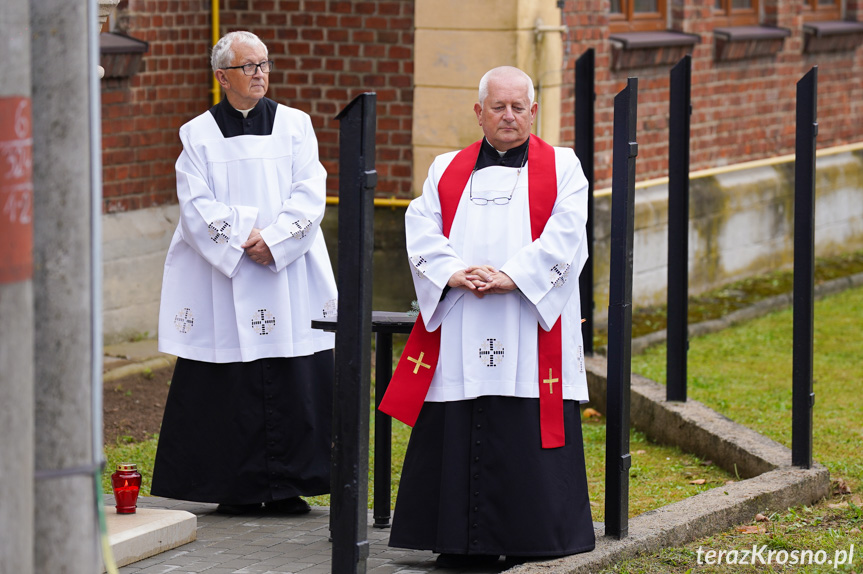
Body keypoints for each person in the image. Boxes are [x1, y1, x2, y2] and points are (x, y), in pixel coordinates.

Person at [379, 66, 595, 567]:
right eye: (498, 107)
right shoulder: (445, 169)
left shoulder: (564, 168)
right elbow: (421, 228)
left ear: (534, 112)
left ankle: (530, 537)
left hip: (527, 320)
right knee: (459, 414)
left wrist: (514, 276)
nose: (509, 116)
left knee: (521, 422)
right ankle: (455, 540)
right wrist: (453, 272)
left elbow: (568, 237)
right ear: (479, 113)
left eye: (519, 107)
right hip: (463, 322)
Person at [151, 30, 337, 516]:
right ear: (221, 77)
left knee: (293, 375)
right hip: (225, 275)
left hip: (286, 271)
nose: (259, 73)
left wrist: (274, 240)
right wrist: (240, 238)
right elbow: (194, 204)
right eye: (247, 66)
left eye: (264, 64)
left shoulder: (296, 126)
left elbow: (310, 190)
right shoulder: (197, 134)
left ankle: (289, 486)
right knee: (226, 381)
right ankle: (231, 486)